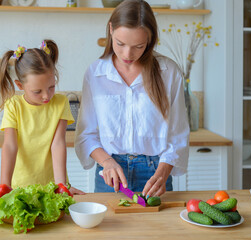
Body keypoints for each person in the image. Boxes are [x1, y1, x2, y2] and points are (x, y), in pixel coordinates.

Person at [75, 0, 189, 198]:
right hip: (110, 173)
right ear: (110, 29)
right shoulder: (95, 73)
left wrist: (162, 174)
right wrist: (107, 162)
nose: (128, 54)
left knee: (157, 230)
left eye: (139, 46)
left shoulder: (168, 72)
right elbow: (86, 135)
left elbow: (178, 135)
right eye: (120, 44)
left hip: (155, 173)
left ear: (150, 40)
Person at [0, 40, 84, 195]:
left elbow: (57, 144)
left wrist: (61, 185)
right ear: (20, 85)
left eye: (51, 87)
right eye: (37, 91)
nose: (46, 96)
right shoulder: (13, 106)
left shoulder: (61, 103)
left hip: (53, 186)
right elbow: (10, 146)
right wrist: (4, 186)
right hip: (20, 187)